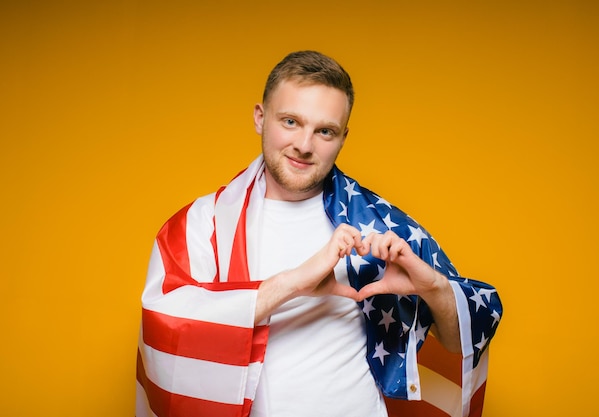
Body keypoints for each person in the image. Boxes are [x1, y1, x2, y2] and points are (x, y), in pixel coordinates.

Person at [136, 50, 502, 417]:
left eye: (324, 130)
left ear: (343, 137)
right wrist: (294, 284)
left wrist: (433, 288)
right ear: (260, 118)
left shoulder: (378, 225)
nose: (305, 145)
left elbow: (460, 343)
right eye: (291, 121)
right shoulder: (203, 224)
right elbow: (166, 329)